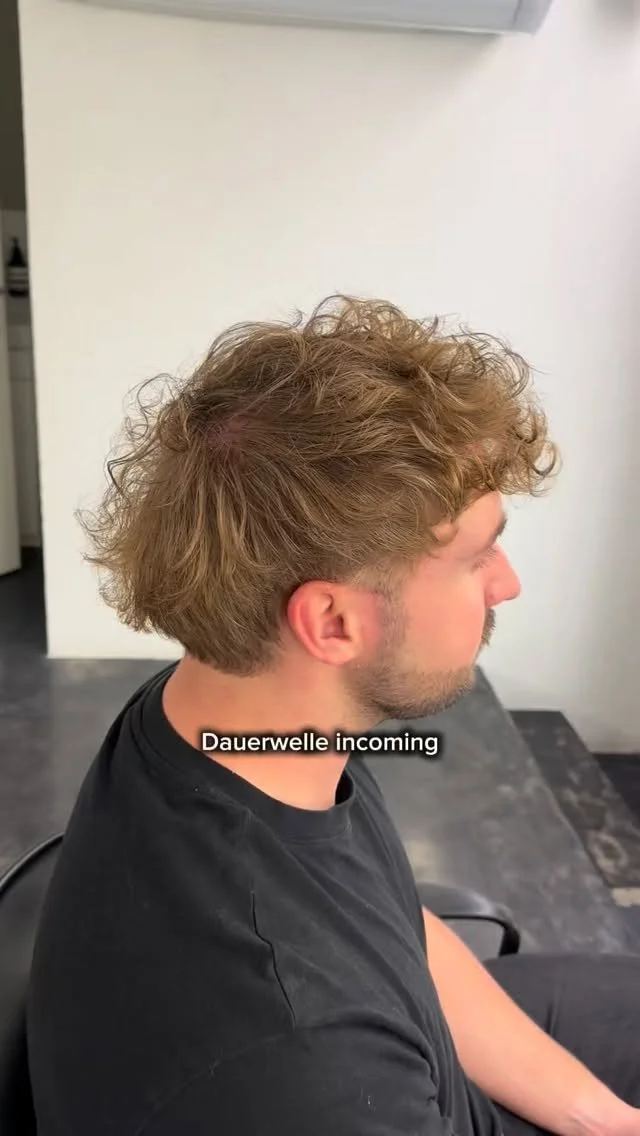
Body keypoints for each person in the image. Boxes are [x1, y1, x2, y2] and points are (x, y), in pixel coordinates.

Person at [27, 296, 640, 1136]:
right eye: (476, 558)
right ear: (332, 622)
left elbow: (397, 929)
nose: (506, 584)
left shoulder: (232, 723)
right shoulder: (299, 1064)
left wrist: (600, 1116)